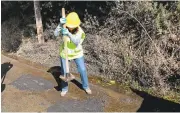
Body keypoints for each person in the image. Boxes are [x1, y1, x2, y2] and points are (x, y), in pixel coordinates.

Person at [54, 12, 92, 96]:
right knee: (64, 72)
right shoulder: (64, 26)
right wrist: (60, 25)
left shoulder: (80, 31)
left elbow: (76, 42)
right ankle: (64, 88)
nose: (70, 28)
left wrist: (68, 34)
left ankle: (86, 86)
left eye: (72, 27)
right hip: (65, 53)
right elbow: (55, 34)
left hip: (77, 53)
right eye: (69, 26)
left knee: (82, 70)